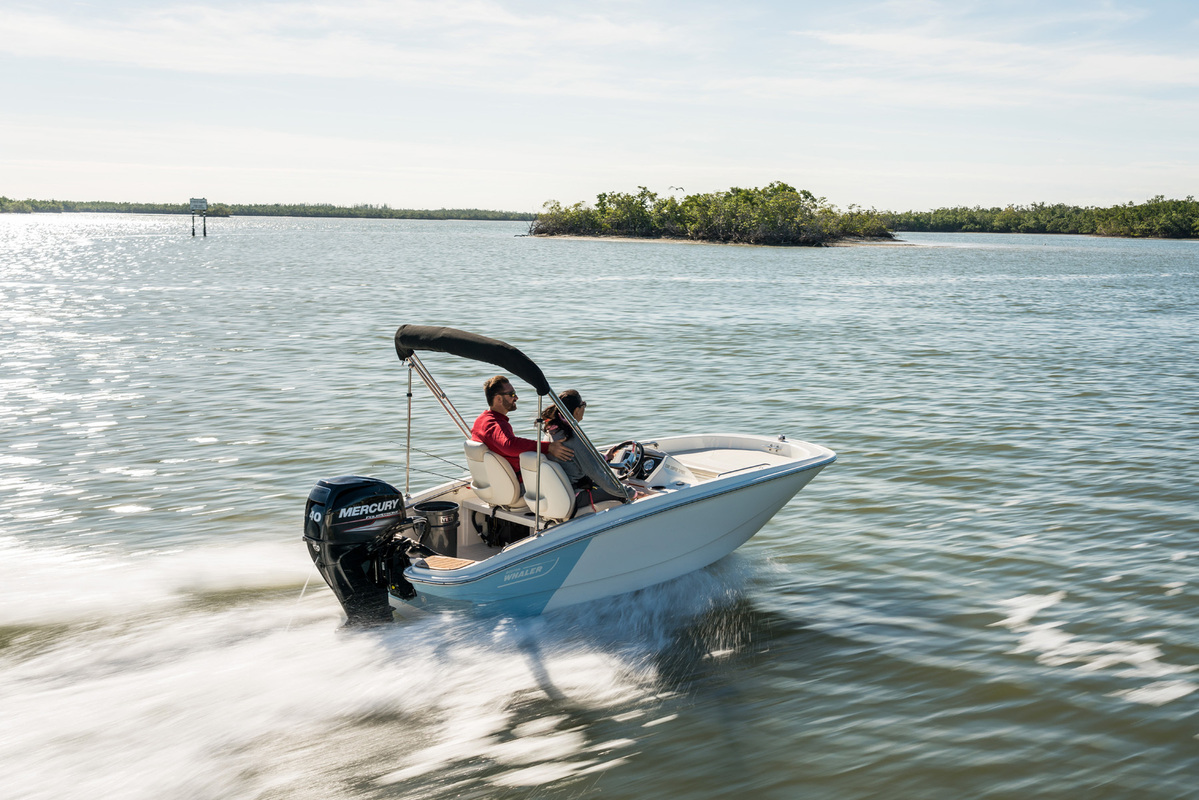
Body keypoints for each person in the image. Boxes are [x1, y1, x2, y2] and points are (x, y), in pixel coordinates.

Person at [537, 389, 626, 512]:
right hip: (576, 495)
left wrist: (605, 457)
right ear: (577, 410)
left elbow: (582, 456)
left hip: (562, 493)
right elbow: (597, 473)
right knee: (622, 494)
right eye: (583, 405)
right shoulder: (572, 437)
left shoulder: (552, 431)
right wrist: (630, 493)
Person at [471, 375, 573, 478]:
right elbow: (509, 445)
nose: (516, 398)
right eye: (512, 394)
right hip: (518, 482)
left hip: (498, 480)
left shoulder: (480, 421)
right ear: (499, 399)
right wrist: (548, 447)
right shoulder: (494, 424)